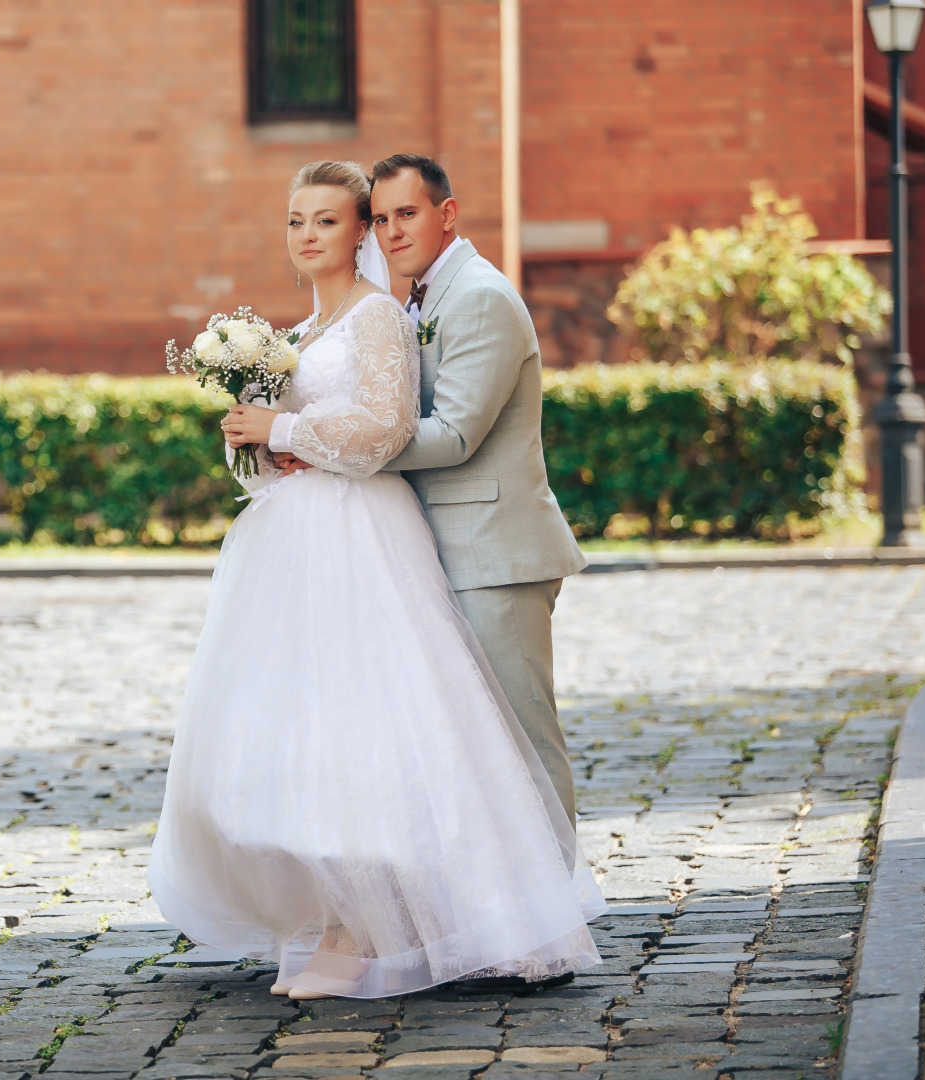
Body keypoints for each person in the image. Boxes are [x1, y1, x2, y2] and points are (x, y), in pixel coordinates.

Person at [145, 160, 604, 1002]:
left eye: (330, 219)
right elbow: (296, 452)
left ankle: (511, 916)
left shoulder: (401, 312)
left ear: (358, 230)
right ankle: (338, 916)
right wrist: (259, 444)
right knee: (319, 729)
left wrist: (289, 428)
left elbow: (397, 429)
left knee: (447, 735)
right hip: (302, 541)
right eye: (295, 221)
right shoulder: (303, 333)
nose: (311, 234)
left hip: (389, 537)